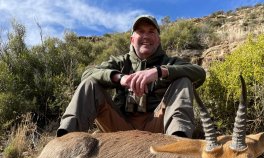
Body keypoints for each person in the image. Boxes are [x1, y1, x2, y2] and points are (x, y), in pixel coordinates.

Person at [57, 15, 206, 138]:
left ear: (158, 39)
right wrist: (119, 78)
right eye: (141, 31)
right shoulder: (119, 62)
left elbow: (199, 73)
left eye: (151, 31)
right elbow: (87, 73)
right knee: (89, 84)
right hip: (119, 126)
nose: (146, 36)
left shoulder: (170, 62)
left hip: (157, 126)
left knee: (183, 80)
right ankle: (65, 141)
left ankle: (179, 142)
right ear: (132, 39)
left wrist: (160, 71)